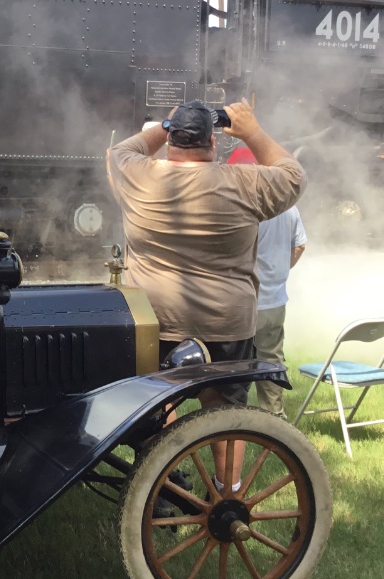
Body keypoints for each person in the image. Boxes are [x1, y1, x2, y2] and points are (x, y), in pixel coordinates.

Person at [108, 99, 306, 490]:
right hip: (226, 322)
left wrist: (167, 123)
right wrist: (250, 130)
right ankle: (226, 493)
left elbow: (120, 150)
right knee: (226, 411)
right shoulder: (244, 182)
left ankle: (163, 485)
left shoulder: (138, 174)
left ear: (171, 141)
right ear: (212, 143)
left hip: (155, 318)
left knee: (157, 400)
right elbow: (293, 174)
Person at [229, 146, 307, 418]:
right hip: (275, 300)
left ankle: (232, 421)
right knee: (271, 361)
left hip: (242, 302)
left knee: (233, 366)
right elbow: (300, 246)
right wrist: (278, 271)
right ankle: (274, 420)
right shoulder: (288, 206)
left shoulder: (240, 207)